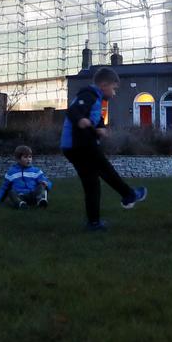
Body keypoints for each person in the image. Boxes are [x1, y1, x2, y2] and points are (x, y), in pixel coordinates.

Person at [61, 66, 147, 231]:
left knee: (92, 183)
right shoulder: (89, 95)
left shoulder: (96, 99)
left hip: (73, 146)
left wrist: (100, 128)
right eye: (114, 89)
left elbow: (96, 118)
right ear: (104, 85)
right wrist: (80, 120)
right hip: (80, 144)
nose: (114, 93)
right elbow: (73, 111)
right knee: (105, 169)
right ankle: (128, 195)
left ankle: (93, 223)